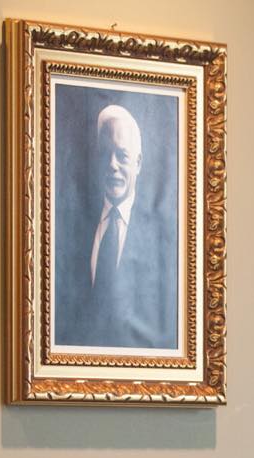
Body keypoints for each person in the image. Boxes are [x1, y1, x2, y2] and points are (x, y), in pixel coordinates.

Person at [55, 103, 177, 350]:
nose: (112, 164)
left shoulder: (166, 237)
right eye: (105, 154)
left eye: (122, 156)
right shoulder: (69, 228)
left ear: (138, 164)